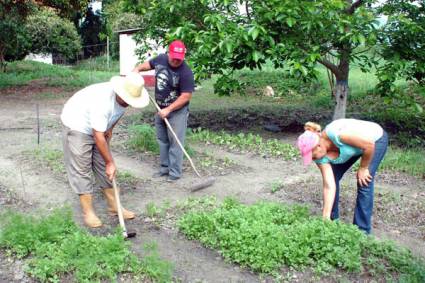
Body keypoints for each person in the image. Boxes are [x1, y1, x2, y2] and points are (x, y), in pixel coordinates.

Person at [61, 73, 149, 228]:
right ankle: (88, 212)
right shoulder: (102, 102)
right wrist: (110, 162)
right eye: (128, 100)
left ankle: (114, 206)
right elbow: (97, 135)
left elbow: (116, 114)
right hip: (77, 124)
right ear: (120, 93)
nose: (129, 103)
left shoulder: (124, 99)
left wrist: (110, 128)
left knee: (103, 166)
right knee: (82, 167)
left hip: (98, 127)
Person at [296, 119, 388, 233]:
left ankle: (361, 231)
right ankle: (331, 222)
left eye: (313, 157)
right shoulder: (320, 155)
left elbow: (369, 145)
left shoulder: (338, 135)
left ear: (319, 145)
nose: (314, 160)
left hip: (374, 140)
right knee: (333, 177)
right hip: (356, 147)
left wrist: (363, 168)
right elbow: (329, 185)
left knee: (364, 180)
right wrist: (325, 215)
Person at [132, 40, 195, 182]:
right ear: (168, 53)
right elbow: (147, 65)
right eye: (174, 57)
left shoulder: (186, 72)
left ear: (183, 56)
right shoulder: (160, 59)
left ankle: (174, 173)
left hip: (176, 111)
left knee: (176, 142)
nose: (176, 60)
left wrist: (169, 109)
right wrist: (137, 70)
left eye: (179, 58)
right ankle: (164, 168)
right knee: (162, 140)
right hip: (160, 108)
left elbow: (186, 96)